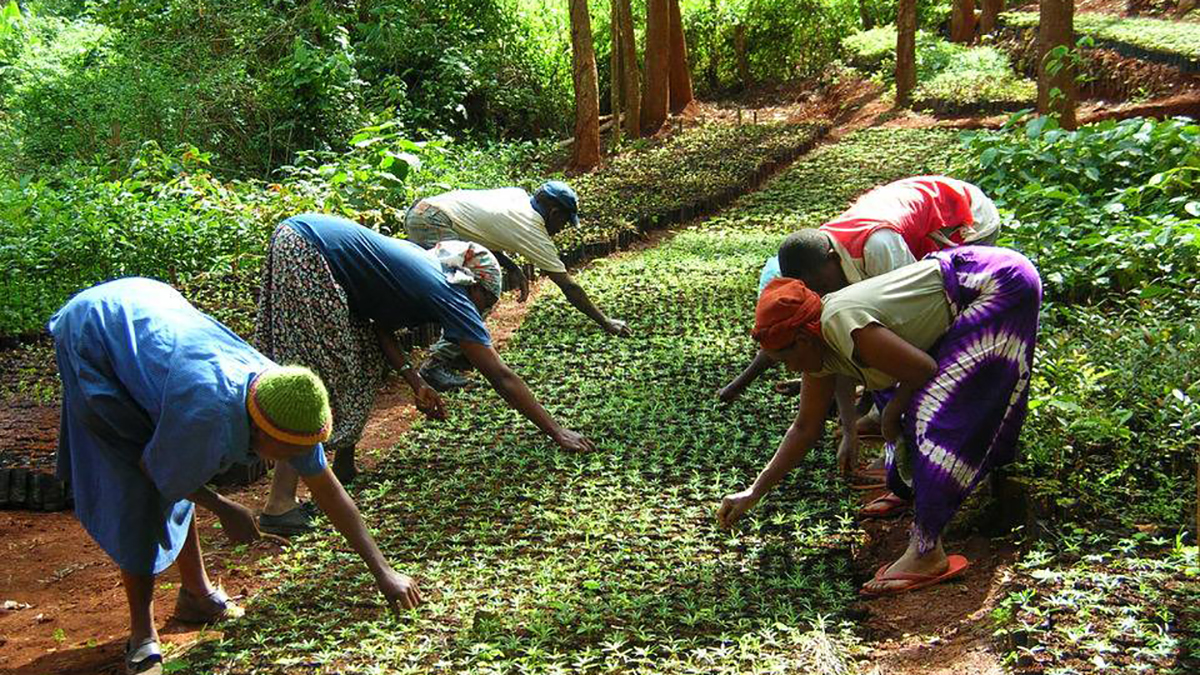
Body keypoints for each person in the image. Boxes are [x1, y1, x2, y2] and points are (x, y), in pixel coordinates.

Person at [49, 278, 422, 675]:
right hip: (95, 333)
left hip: (151, 310)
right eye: (290, 452)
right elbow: (154, 470)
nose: (295, 461)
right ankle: (142, 633)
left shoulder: (289, 401)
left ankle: (197, 595)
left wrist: (384, 571)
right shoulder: (207, 413)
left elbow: (329, 491)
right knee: (137, 488)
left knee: (180, 471)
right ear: (260, 433)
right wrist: (224, 506)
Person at [716, 246, 1041, 596]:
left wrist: (891, 412)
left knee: (932, 415)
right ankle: (919, 495)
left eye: (787, 357)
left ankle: (927, 550)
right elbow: (804, 427)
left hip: (994, 284)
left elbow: (921, 370)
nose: (790, 369)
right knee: (908, 413)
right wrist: (754, 491)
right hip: (969, 288)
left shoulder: (840, 323)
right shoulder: (815, 346)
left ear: (803, 337)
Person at [255, 213, 596, 535]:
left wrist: (416, 383)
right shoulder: (449, 292)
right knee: (322, 373)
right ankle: (279, 505)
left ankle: (344, 466)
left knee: (360, 358)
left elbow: (380, 332)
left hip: (302, 241)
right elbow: (501, 376)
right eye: (485, 301)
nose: (482, 310)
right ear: (475, 285)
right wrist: (556, 431)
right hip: (308, 252)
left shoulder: (426, 270)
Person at [717, 176, 1001, 479]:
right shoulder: (823, 264)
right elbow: (838, 355)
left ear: (831, 260)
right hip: (914, 231)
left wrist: (893, 414)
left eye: (823, 286)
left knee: (926, 342)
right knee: (884, 346)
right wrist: (849, 428)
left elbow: (919, 330)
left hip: (967, 220)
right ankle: (891, 429)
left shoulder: (877, 248)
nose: (822, 296)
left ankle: (919, 452)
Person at [405, 180, 631, 391]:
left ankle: (460, 352)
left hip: (425, 211)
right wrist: (606, 321)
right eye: (564, 221)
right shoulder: (532, 227)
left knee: (476, 288)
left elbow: (481, 229)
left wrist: (511, 266)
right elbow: (568, 286)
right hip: (433, 222)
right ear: (554, 213)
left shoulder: (518, 196)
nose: (563, 228)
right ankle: (435, 366)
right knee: (473, 294)